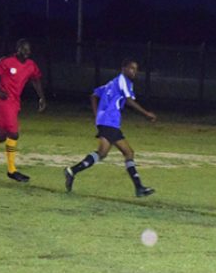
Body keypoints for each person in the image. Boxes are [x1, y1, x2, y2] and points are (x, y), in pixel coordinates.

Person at [64, 58, 156, 197]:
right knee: (128, 153)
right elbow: (130, 101)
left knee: (102, 153)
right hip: (110, 121)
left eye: (136, 69)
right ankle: (139, 187)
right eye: (131, 68)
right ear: (123, 68)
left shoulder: (111, 83)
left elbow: (94, 95)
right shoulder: (123, 81)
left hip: (104, 121)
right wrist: (146, 114)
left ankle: (72, 171)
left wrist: (97, 115)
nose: (134, 72)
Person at [0, 38, 47, 182]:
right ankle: (11, 170)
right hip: (3, 101)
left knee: (1, 136)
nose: (27, 52)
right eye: (24, 49)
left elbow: (36, 80)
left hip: (15, 102)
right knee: (14, 134)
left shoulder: (31, 65)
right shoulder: (6, 62)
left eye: (29, 50)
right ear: (18, 49)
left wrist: (41, 97)